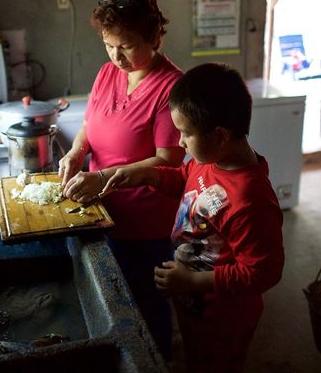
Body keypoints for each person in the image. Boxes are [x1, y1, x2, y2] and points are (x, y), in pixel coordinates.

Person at [101, 63, 285, 373]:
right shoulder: (211, 160)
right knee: (196, 357)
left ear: (220, 136)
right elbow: (186, 179)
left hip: (224, 318)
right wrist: (147, 175)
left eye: (185, 134)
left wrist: (192, 280)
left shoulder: (250, 200)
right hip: (194, 303)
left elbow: (263, 272)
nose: (180, 143)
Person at [58, 0, 186, 360]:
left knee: (147, 301)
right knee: (114, 298)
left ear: (153, 37)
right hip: (101, 210)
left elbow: (169, 159)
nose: (117, 56)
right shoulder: (106, 74)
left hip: (144, 221)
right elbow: (89, 124)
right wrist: (77, 152)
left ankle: (156, 362)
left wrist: (103, 178)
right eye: (109, 44)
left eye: (126, 45)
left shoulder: (171, 87)